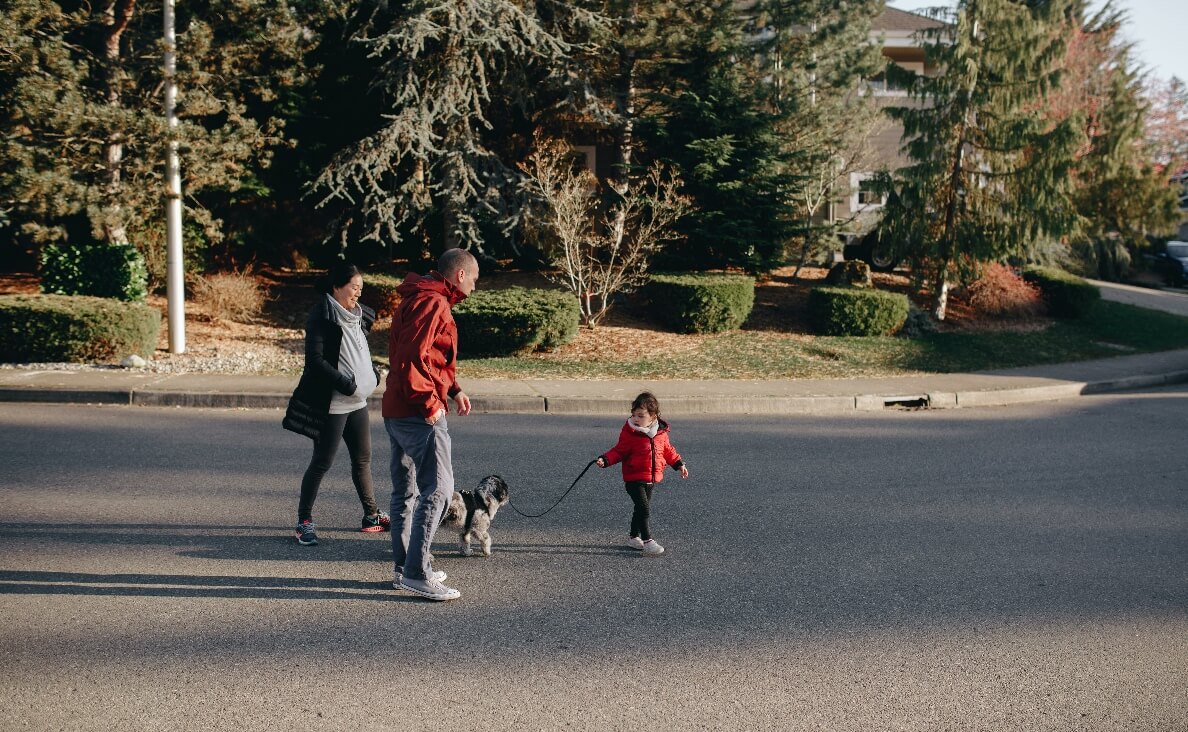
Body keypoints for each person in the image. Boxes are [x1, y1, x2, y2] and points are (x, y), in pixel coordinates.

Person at [383, 248, 479, 601]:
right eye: (474, 279)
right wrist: (430, 403)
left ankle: (405, 567)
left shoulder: (420, 295)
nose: (474, 286)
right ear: (460, 275)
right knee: (438, 489)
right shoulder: (434, 302)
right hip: (416, 410)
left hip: (397, 408)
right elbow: (411, 357)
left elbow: (427, 356)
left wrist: (453, 389)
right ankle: (416, 573)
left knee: (406, 491)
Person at [282, 262, 389, 546]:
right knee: (322, 462)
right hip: (334, 404)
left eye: (361, 288)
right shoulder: (322, 315)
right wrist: (347, 385)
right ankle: (304, 521)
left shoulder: (358, 315)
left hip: (358, 403)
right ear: (336, 287)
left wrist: (372, 374)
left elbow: (360, 351)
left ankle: (371, 516)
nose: (358, 292)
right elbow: (315, 362)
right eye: (354, 287)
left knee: (362, 459)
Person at [596, 391, 689, 556]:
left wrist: (679, 464)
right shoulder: (630, 433)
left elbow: (668, 451)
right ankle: (648, 541)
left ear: (653, 416)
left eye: (641, 416)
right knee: (644, 509)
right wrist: (605, 459)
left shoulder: (660, 433)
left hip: (651, 478)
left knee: (639, 509)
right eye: (634, 415)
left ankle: (633, 537)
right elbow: (619, 451)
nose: (636, 419)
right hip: (634, 478)